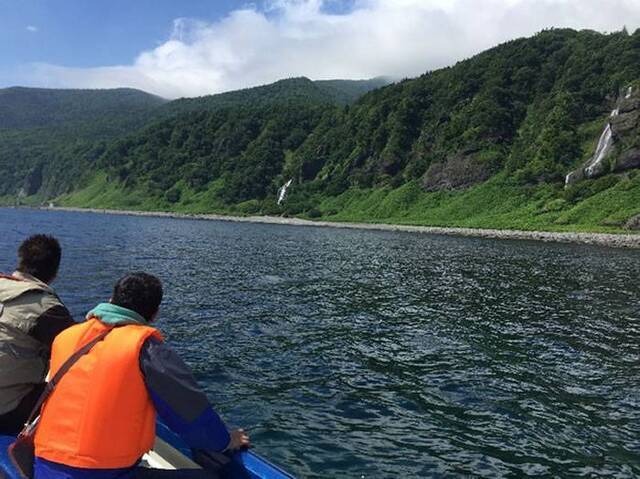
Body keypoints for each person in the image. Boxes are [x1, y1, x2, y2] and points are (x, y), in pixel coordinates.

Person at [34, 272, 250, 478]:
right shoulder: (146, 348)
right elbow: (192, 417)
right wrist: (225, 441)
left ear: (111, 299)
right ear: (155, 314)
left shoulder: (65, 337)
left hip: (44, 467)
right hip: (104, 473)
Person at [0, 234, 75, 434]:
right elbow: (81, 354)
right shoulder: (46, 308)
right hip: (6, 413)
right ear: (55, 272)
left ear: (21, 260)